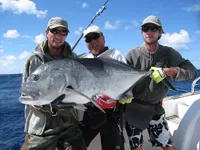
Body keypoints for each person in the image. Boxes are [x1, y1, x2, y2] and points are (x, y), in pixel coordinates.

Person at [125, 15, 198, 150]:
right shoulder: (131, 55)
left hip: (155, 108)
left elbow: (192, 71)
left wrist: (170, 71)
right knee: (136, 148)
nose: (149, 32)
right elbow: (122, 81)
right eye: (145, 28)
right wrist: (123, 95)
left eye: (153, 28)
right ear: (142, 32)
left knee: (168, 147)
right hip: (133, 109)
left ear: (160, 32)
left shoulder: (169, 53)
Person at [21, 17, 87, 150]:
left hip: (69, 123)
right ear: (47, 32)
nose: (58, 36)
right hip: (42, 127)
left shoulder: (74, 59)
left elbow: (82, 86)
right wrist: (52, 106)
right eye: (55, 31)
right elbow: (27, 93)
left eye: (63, 32)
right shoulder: (34, 61)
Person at [79, 25, 128, 150]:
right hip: (89, 113)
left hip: (112, 114)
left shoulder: (115, 55)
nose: (93, 41)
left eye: (95, 37)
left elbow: (126, 83)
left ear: (103, 38)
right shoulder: (84, 59)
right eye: (88, 39)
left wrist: (116, 97)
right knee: (77, 145)